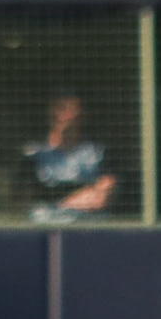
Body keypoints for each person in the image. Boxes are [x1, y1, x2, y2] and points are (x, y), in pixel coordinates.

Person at [20, 91, 116, 223]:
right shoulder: (32, 153)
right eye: (59, 108)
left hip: (88, 227)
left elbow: (102, 196)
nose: (62, 115)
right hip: (44, 226)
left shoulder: (97, 152)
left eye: (70, 108)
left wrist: (55, 203)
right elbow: (24, 197)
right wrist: (78, 197)